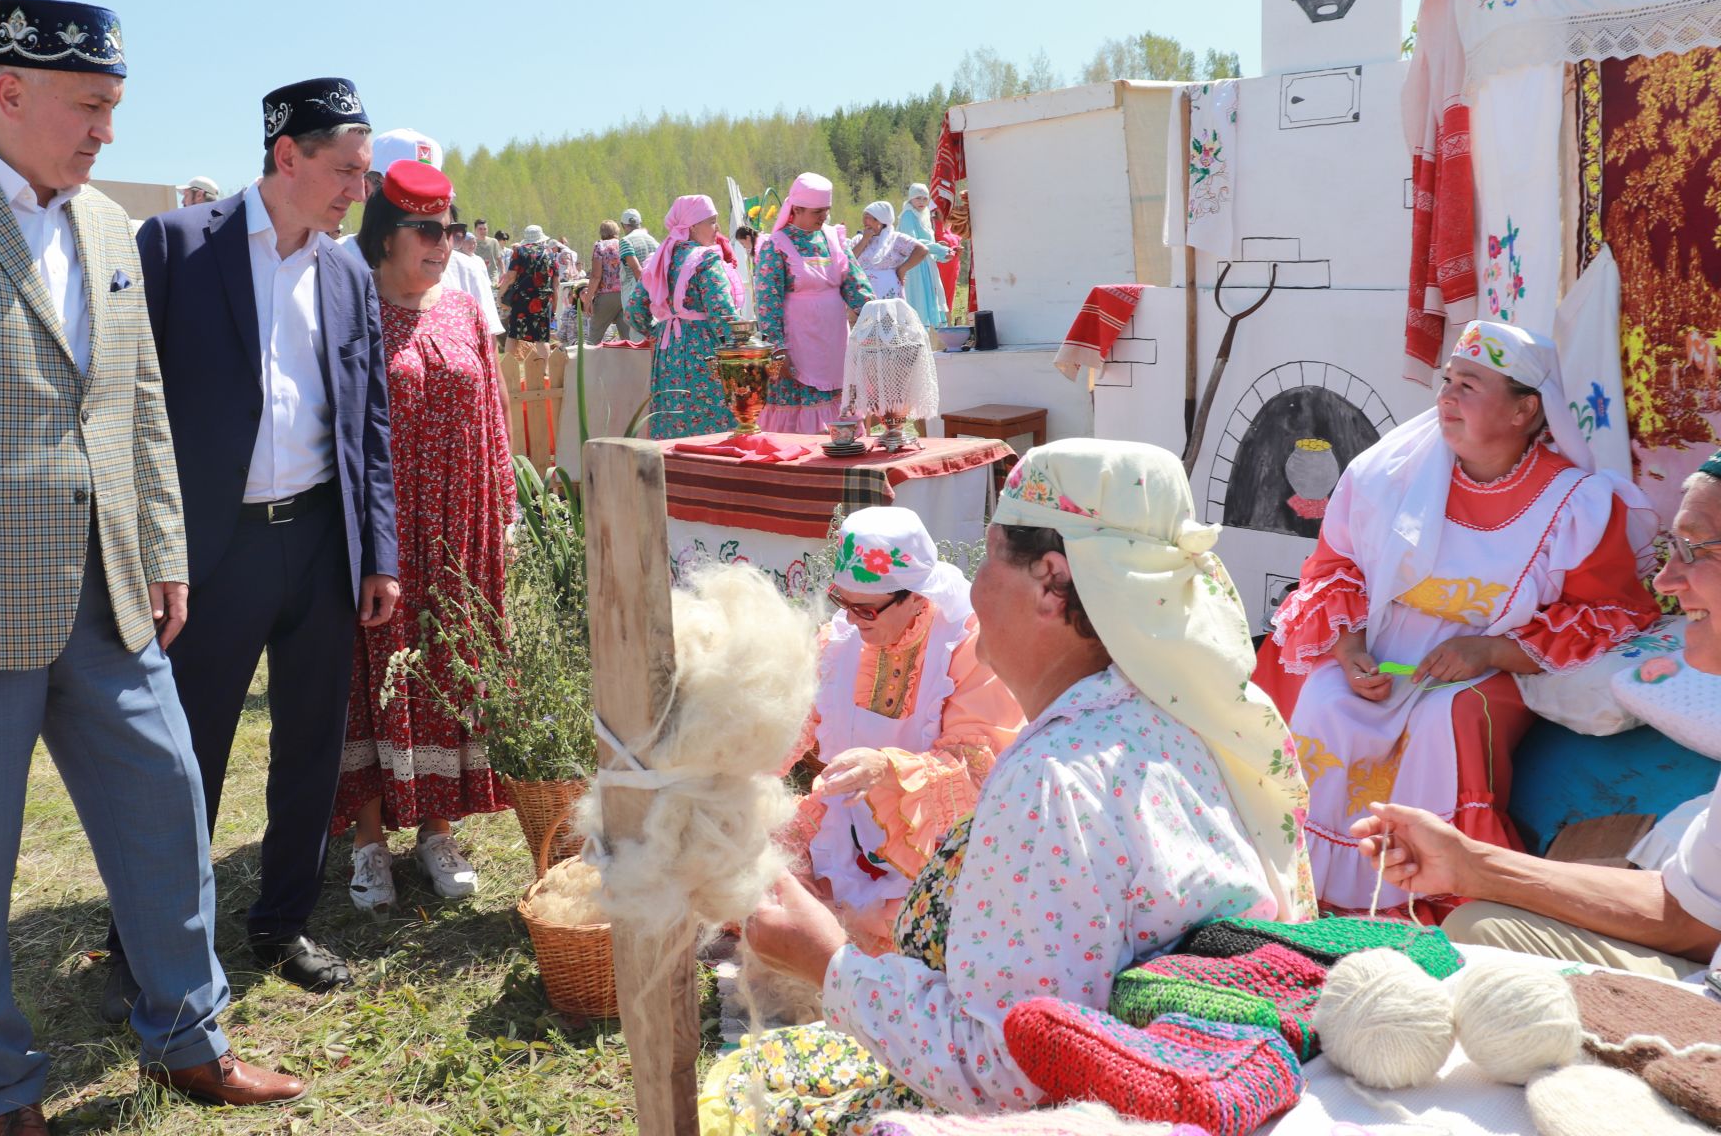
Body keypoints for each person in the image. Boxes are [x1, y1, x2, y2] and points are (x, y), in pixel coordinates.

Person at [0, 0, 305, 1131]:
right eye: (90, 105)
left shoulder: (104, 226)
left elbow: (137, 403)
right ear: (9, 89)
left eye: (116, 107)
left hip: (109, 593)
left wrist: (165, 545)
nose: (106, 132)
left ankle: (189, 1035)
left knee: (169, 802)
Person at [706, 439, 1313, 1130]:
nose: (972, 585)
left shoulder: (1053, 782)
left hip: (1081, 1115)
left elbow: (1004, 1070)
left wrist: (825, 958)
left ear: (1052, 583)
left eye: (989, 555)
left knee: (755, 1101)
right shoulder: (1174, 715)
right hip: (1171, 1088)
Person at [124, 77, 401, 1000]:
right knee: (184, 752)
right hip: (213, 551)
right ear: (287, 157)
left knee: (313, 744)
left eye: (365, 173)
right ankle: (154, 936)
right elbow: (129, 402)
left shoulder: (348, 270)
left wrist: (380, 553)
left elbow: (369, 422)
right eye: (345, 170)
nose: (359, 191)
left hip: (322, 541)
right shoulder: (177, 246)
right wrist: (148, 550)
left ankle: (282, 922)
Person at [1259, 320, 1658, 921]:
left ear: (1526, 410)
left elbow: (1606, 613)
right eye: (1447, 381)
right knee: (1324, 700)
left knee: (1448, 716)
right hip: (1384, 646)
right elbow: (1333, 568)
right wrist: (1350, 648)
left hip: (1494, 664)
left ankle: (1434, 895)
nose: (1446, 396)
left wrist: (1489, 651)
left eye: (1469, 385)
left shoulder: (1573, 503)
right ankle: (1309, 891)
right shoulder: (1388, 475)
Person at [1354, 450, 1721, 979]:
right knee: (1477, 931)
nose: (1665, 581)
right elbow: (1692, 912)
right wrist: (1468, 864)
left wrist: (1494, 651)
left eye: (1694, 549)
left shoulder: (1575, 505)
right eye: (1672, 550)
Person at [334, 161, 513, 909]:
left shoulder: (465, 310)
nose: (445, 245)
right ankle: (369, 842)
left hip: (460, 527)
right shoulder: (348, 308)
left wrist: (504, 511)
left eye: (452, 230)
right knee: (369, 676)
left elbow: (494, 415)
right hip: (383, 530)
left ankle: (437, 830)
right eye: (428, 231)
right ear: (384, 236)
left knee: (450, 666)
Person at [777, 508, 1024, 955]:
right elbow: (791, 723)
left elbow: (981, 769)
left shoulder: (971, 648)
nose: (851, 620)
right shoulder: (841, 640)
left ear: (917, 597)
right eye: (842, 602)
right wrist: (742, 764)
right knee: (761, 868)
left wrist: (886, 769)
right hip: (847, 821)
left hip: (933, 844)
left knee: (914, 933)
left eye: (865, 608)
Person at [754, 172, 872, 434]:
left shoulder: (833, 239)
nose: (823, 217)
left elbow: (855, 285)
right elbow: (766, 302)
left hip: (834, 338)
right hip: (798, 342)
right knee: (804, 399)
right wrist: (777, 348)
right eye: (817, 211)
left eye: (826, 211)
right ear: (796, 209)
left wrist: (879, 318)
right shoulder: (776, 246)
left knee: (838, 396)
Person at [622, 195, 741, 439]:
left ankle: (674, 473)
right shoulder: (706, 259)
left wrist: (655, 331)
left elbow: (634, 310)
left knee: (672, 419)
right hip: (703, 350)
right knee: (710, 423)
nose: (716, 228)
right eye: (712, 221)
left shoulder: (661, 259)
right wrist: (742, 347)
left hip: (668, 353)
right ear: (693, 226)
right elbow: (722, 313)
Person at [896, 183, 956, 329]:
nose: (922, 202)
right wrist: (939, 249)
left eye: (925, 198)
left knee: (927, 300)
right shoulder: (908, 216)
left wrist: (942, 255)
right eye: (918, 198)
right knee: (918, 301)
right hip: (914, 265)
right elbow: (912, 242)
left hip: (926, 264)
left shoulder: (923, 216)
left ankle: (926, 337)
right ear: (911, 199)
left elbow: (930, 243)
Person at [850, 200, 935, 302]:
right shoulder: (858, 239)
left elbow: (922, 250)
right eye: (864, 216)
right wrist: (864, 240)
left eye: (868, 217)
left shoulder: (895, 239)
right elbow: (849, 260)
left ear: (881, 221)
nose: (864, 220)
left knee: (888, 317)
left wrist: (902, 269)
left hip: (889, 293)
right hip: (863, 292)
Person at [497, 224, 561, 345]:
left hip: (521, 298)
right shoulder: (551, 255)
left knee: (514, 335)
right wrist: (554, 307)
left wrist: (500, 295)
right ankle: (544, 364)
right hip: (543, 300)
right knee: (542, 338)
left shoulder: (519, 252)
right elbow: (556, 285)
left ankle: (508, 363)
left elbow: (510, 277)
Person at [585, 219, 629, 340]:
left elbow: (596, 276)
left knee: (594, 335)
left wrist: (588, 300)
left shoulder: (600, 246)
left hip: (606, 294)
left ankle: (590, 359)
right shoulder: (624, 244)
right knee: (627, 337)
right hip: (625, 295)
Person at [618, 206, 659, 298]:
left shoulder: (626, 241)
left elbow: (637, 269)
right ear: (640, 223)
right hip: (656, 291)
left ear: (623, 225)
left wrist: (643, 295)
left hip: (635, 293)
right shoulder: (654, 241)